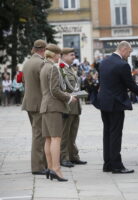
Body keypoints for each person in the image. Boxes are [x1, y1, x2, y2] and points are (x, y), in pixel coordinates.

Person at [97, 41, 138, 174]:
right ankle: (116, 165)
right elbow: (131, 85)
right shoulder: (122, 65)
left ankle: (107, 164)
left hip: (104, 103)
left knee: (107, 133)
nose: (129, 55)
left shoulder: (104, 62)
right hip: (116, 103)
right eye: (129, 52)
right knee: (115, 134)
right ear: (124, 49)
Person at [40, 44, 77, 182]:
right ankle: (56, 168)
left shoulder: (44, 67)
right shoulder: (53, 68)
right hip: (54, 107)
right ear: (55, 55)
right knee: (56, 138)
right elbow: (54, 90)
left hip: (45, 106)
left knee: (48, 139)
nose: (60, 57)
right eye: (59, 55)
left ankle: (50, 167)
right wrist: (69, 97)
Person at [22, 39, 48, 175]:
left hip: (29, 102)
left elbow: (24, 82)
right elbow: (45, 85)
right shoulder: (42, 63)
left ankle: (42, 164)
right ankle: (38, 167)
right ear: (43, 49)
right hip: (39, 104)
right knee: (39, 135)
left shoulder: (27, 63)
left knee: (37, 133)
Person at [60, 48, 87, 168]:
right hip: (67, 106)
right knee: (65, 134)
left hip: (75, 107)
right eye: (71, 55)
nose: (73, 57)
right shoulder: (60, 69)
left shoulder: (70, 68)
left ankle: (73, 156)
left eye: (74, 55)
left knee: (73, 134)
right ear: (63, 56)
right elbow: (61, 89)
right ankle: (64, 158)